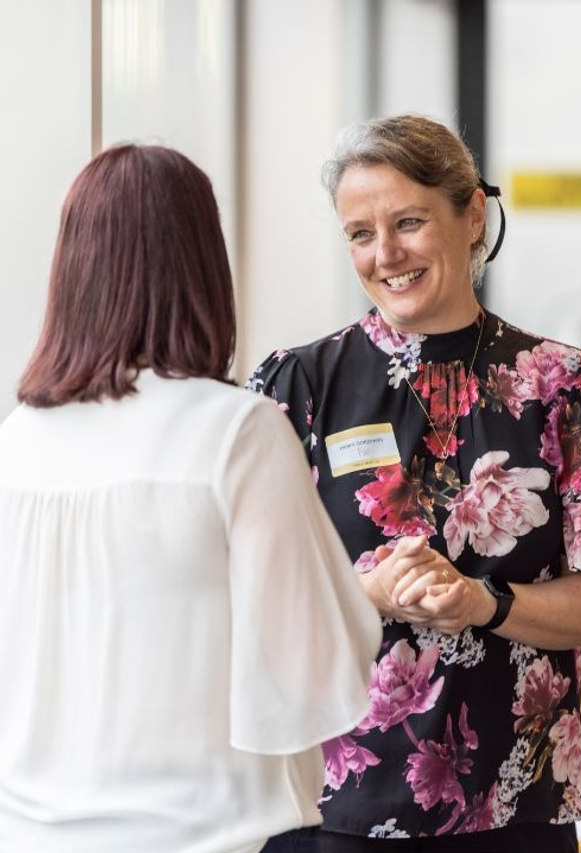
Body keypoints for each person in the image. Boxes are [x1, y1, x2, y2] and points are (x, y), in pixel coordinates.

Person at [0, 143, 383, 853]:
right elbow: (314, 677)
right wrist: (366, 596)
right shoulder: (235, 431)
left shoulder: (15, 442)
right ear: (204, 267)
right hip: (204, 835)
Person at [248, 114, 581, 853]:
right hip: (333, 805)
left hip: (518, 808)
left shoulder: (563, 386)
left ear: (472, 213)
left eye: (409, 221)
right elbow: (244, 598)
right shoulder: (296, 387)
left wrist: (485, 601)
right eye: (359, 233)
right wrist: (362, 595)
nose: (386, 254)